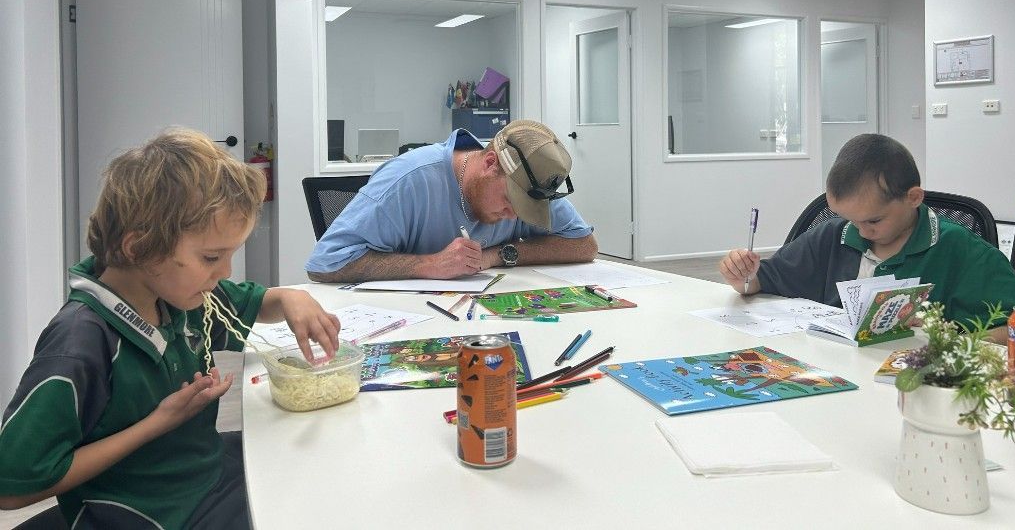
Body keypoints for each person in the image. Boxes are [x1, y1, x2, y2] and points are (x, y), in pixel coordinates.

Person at [0, 129, 341, 529]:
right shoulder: (82, 342)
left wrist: (287, 299)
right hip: (149, 513)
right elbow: (13, 488)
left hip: (199, 474)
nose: (226, 272)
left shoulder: (179, 297)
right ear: (139, 247)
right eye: (212, 256)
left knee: (311, 464)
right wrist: (157, 423)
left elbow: (255, 304)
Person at [718, 134, 1015, 343]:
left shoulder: (961, 250)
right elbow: (766, 280)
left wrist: (947, 336)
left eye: (873, 220)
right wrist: (743, 274)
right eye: (851, 219)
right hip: (831, 372)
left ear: (913, 198)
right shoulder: (837, 233)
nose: (861, 230)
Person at [306, 119, 597, 283]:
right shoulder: (407, 180)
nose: (513, 216)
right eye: (511, 201)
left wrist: (499, 254)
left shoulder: (532, 181)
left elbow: (584, 245)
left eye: (526, 210)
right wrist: (428, 265)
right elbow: (324, 264)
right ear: (491, 163)